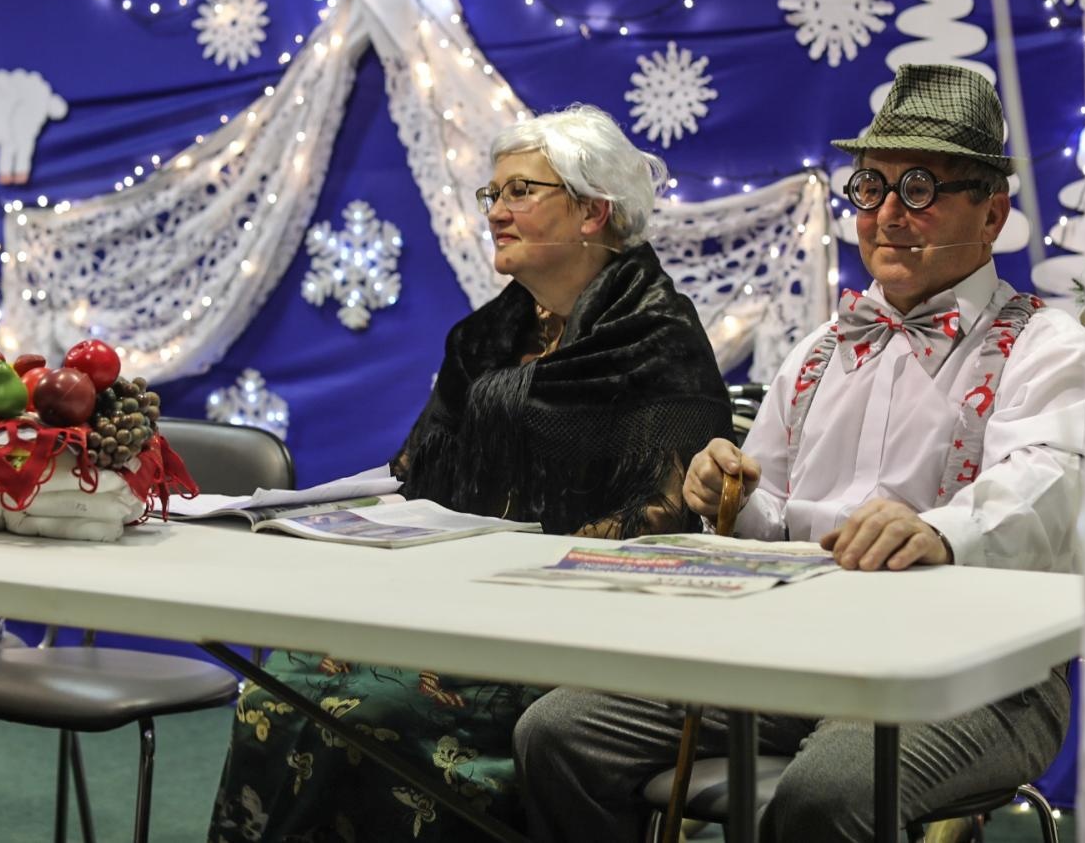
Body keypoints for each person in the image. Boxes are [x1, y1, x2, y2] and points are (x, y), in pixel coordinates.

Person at [513, 64, 1085, 842]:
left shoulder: (1048, 344)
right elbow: (767, 522)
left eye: (919, 189)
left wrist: (942, 531)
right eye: (871, 187)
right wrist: (726, 489)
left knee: (827, 791)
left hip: (977, 673)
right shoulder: (820, 350)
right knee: (556, 731)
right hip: (795, 654)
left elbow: (1050, 481)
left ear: (992, 213)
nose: (887, 214)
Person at [209, 105, 732, 842]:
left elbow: (658, 526)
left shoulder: (658, 340)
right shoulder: (487, 337)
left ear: (592, 211)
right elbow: (417, 485)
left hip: (571, 637)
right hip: (454, 611)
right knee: (284, 685)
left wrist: (510, 580)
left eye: (522, 190)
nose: (497, 211)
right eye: (493, 195)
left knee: (369, 713)